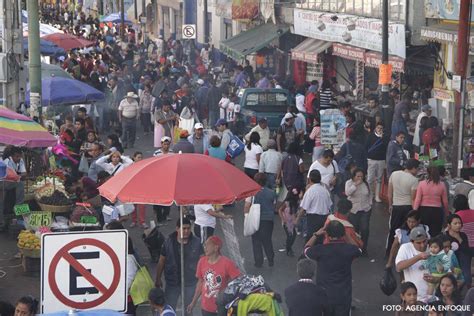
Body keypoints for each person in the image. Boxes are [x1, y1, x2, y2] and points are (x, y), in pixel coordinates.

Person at [304, 220, 361, 315]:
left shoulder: (320, 250)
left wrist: (316, 235)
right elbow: (358, 249)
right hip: (343, 295)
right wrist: (347, 236)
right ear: (342, 235)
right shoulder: (349, 250)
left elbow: (306, 249)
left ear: (327, 235)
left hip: (324, 295)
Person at [155, 218, 203, 314]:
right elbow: (161, 261)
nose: (186, 231)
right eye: (184, 228)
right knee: (169, 308)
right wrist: (158, 278)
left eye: (188, 228)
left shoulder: (197, 242)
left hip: (190, 282)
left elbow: (202, 261)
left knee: (188, 309)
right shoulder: (168, 242)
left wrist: (202, 279)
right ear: (177, 228)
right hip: (172, 282)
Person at [187, 236, 241, 316]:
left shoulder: (227, 263)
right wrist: (193, 302)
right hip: (206, 308)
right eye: (204, 245)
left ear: (216, 248)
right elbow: (200, 283)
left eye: (207, 245)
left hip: (222, 307)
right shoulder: (202, 262)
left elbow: (240, 280)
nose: (205, 248)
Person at [386, 159, 420, 255]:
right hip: (407, 207)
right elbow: (413, 198)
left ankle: (389, 252)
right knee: (407, 230)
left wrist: (390, 205)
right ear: (413, 168)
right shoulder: (414, 180)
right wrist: (415, 211)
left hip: (396, 206)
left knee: (393, 230)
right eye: (417, 169)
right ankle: (406, 253)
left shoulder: (394, 174)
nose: (417, 171)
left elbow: (389, 193)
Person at [243, 173, 276, 267]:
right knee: (267, 240)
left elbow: (246, 206)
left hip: (255, 220)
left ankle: (258, 262)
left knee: (256, 241)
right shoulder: (271, 192)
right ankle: (270, 259)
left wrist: (246, 216)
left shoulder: (251, 193)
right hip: (268, 220)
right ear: (266, 181)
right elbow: (273, 205)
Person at [395, 226, 431, 303]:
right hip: (412, 298)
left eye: (424, 241)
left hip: (430, 297)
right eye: (418, 243)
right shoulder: (405, 248)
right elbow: (399, 267)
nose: (422, 245)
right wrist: (418, 257)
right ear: (412, 241)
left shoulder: (434, 248)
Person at [414, 166, 449, 237]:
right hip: (437, 211)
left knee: (424, 232)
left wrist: (414, 211)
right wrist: (447, 213)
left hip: (424, 211)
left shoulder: (421, 184)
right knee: (435, 232)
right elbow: (445, 201)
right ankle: (434, 246)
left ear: (427, 173)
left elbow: (418, 199)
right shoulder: (442, 184)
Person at [299, 170, 332, 243]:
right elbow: (330, 205)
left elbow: (304, 207)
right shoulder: (325, 190)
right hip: (324, 217)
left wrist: (297, 218)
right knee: (321, 239)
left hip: (313, 218)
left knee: (311, 238)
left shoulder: (310, 191)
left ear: (310, 179)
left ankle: (307, 253)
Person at [345, 168, 372, 256]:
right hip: (354, 210)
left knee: (365, 229)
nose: (360, 178)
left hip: (365, 209)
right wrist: (355, 185)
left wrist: (370, 204)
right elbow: (348, 193)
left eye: (361, 176)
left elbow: (370, 194)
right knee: (354, 230)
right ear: (354, 176)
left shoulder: (366, 183)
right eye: (358, 176)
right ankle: (355, 248)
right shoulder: (349, 183)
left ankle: (364, 248)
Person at [444, 214, 472, 289]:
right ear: (449, 225)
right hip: (449, 262)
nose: (458, 225)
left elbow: (467, 251)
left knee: (464, 256)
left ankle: (467, 283)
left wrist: (458, 238)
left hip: (462, 261)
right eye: (455, 223)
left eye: (460, 223)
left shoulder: (463, 235)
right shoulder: (444, 236)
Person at [366, 122, 388, 202]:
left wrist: (382, 138)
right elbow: (366, 146)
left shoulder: (385, 137)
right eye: (378, 128)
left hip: (381, 160)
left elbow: (386, 147)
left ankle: (377, 196)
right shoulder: (370, 136)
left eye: (381, 128)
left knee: (379, 179)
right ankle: (371, 194)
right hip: (371, 159)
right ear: (375, 128)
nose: (379, 130)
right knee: (370, 179)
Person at [278, 187, 300, 256]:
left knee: (293, 236)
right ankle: (289, 249)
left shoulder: (297, 203)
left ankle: (289, 247)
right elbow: (280, 210)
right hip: (286, 222)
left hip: (293, 222)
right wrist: (283, 219)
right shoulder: (286, 203)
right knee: (290, 236)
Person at [130, 151, 147, 228]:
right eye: (138, 157)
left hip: (141, 189)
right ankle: (134, 221)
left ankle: (142, 222)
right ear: (134, 158)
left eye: (141, 157)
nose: (140, 159)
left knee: (142, 207)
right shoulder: (130, 166)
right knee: (133, 207)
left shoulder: (144, 166)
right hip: (132, 189)